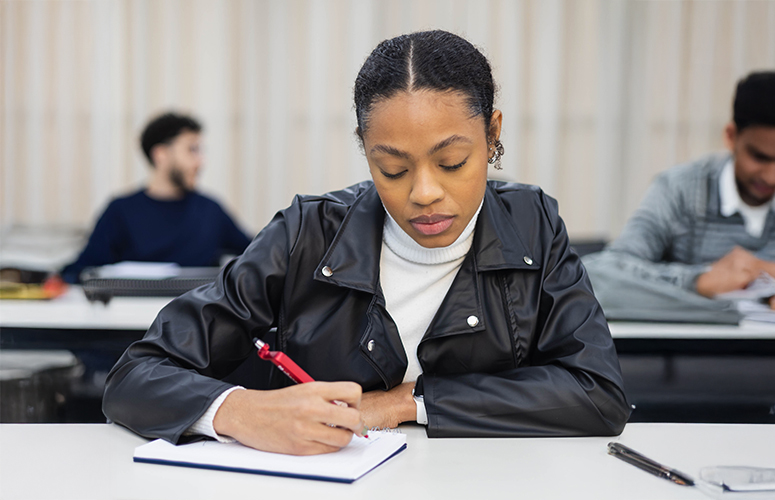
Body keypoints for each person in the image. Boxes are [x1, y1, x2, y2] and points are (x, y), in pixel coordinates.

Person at [103, 30, 630, 456]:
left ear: (493, 134)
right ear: (364, 148)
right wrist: (242, 411)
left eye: (452, 163)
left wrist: (406, 402)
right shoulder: (307, 232)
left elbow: (597, 393)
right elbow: (134, 375)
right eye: (392, 168)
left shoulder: (533, 223)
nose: (425, 194)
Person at [583, 72, 775, 322]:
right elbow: (601, 276)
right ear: (731, 136)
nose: (771, 177)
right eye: (759, 157)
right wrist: (699, 281)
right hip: (694, 356)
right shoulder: (681, 189)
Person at [61, 112, 252, 283]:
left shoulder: (210, 210)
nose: (200, 161)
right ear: (161, 154)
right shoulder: (120, 210)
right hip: (132, 317)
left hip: (197, 317)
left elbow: (255, 254)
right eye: (192, 150)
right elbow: (83, 270)